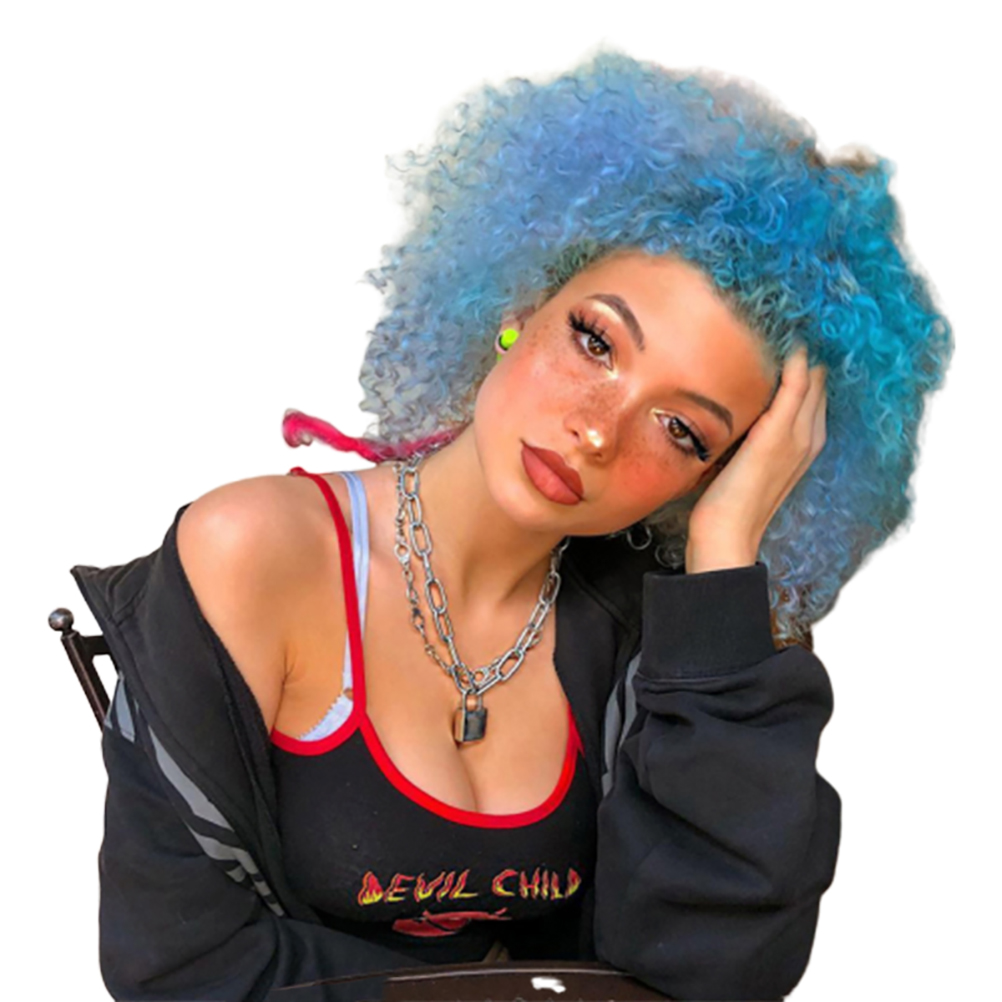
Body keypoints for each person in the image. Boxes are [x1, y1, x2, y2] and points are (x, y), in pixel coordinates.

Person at [71, 50, 952, 1001]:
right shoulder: (258, 552)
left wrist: (726, 552)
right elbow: (182, 969)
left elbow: (713, 977)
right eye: (595, 340)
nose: (598, 430)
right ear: (522, 304)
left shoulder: (660, 640)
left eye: (683, 431)